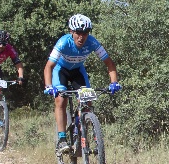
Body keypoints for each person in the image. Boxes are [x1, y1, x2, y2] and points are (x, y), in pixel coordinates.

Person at [43, 14, 121, 154]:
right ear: (72, 32)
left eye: (85, 33)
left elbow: (109, 63)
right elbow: (48, 66)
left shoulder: (92, 42)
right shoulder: (63, 42)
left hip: (78, 71)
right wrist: (49, 86)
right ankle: (62, 139)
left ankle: (81, 131)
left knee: (88, 101)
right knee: (61, 100)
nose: (82, 37)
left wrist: (114, 82)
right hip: (61, 71)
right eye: (78, 32)